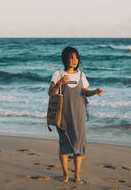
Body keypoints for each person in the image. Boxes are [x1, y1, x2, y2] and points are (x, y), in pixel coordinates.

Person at [48, 46, 103, 184]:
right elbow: (50, 92)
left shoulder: (81, 75)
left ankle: (77, 176)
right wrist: (60, 83)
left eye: (76, 58)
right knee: (64, 144)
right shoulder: (58, 74)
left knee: (79, 144)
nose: (74, 60)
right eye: (71, 58)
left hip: (79, 115)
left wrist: (95, 91)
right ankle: (66, 174)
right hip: (63, 115)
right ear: (65, 59)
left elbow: (85, 92)